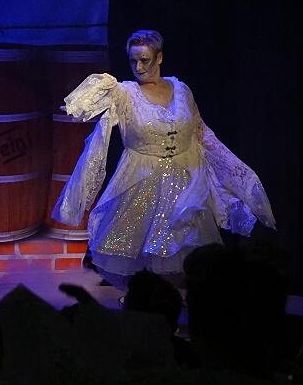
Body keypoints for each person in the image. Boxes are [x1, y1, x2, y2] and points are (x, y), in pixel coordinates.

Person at [54, 29, 276, 285]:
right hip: (141, 180)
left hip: (186, 181)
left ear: (159, 58)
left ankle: (179, 301)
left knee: (185, 253)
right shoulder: (124, 93)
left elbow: (200, 132)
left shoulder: (181, 90)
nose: (138, 67)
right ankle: (149, 300)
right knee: (143, 256)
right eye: (133, 61)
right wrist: (78, 105)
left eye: (145, 60)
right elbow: (91, 109)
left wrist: (234, 170)